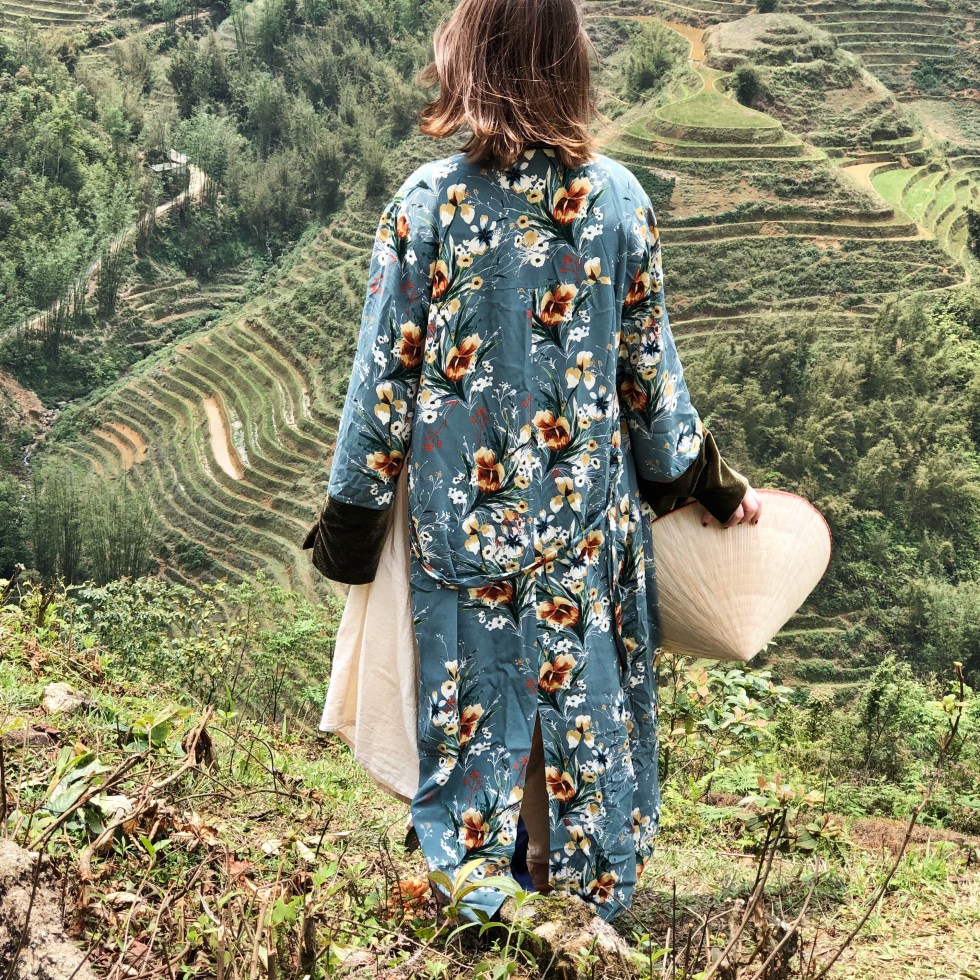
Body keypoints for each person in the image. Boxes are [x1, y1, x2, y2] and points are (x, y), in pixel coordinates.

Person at [304, 0, 761, 925]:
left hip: (459, 534)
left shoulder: (425, 206)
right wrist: (713, 489)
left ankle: (484, 893)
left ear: (470, 59)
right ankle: (579, 904)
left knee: (474, 722)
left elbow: (381, 389)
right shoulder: (619, 203)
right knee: (581, 720)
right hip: (585, 532)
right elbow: (650, 388)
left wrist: (350, 526)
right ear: (569, 62)